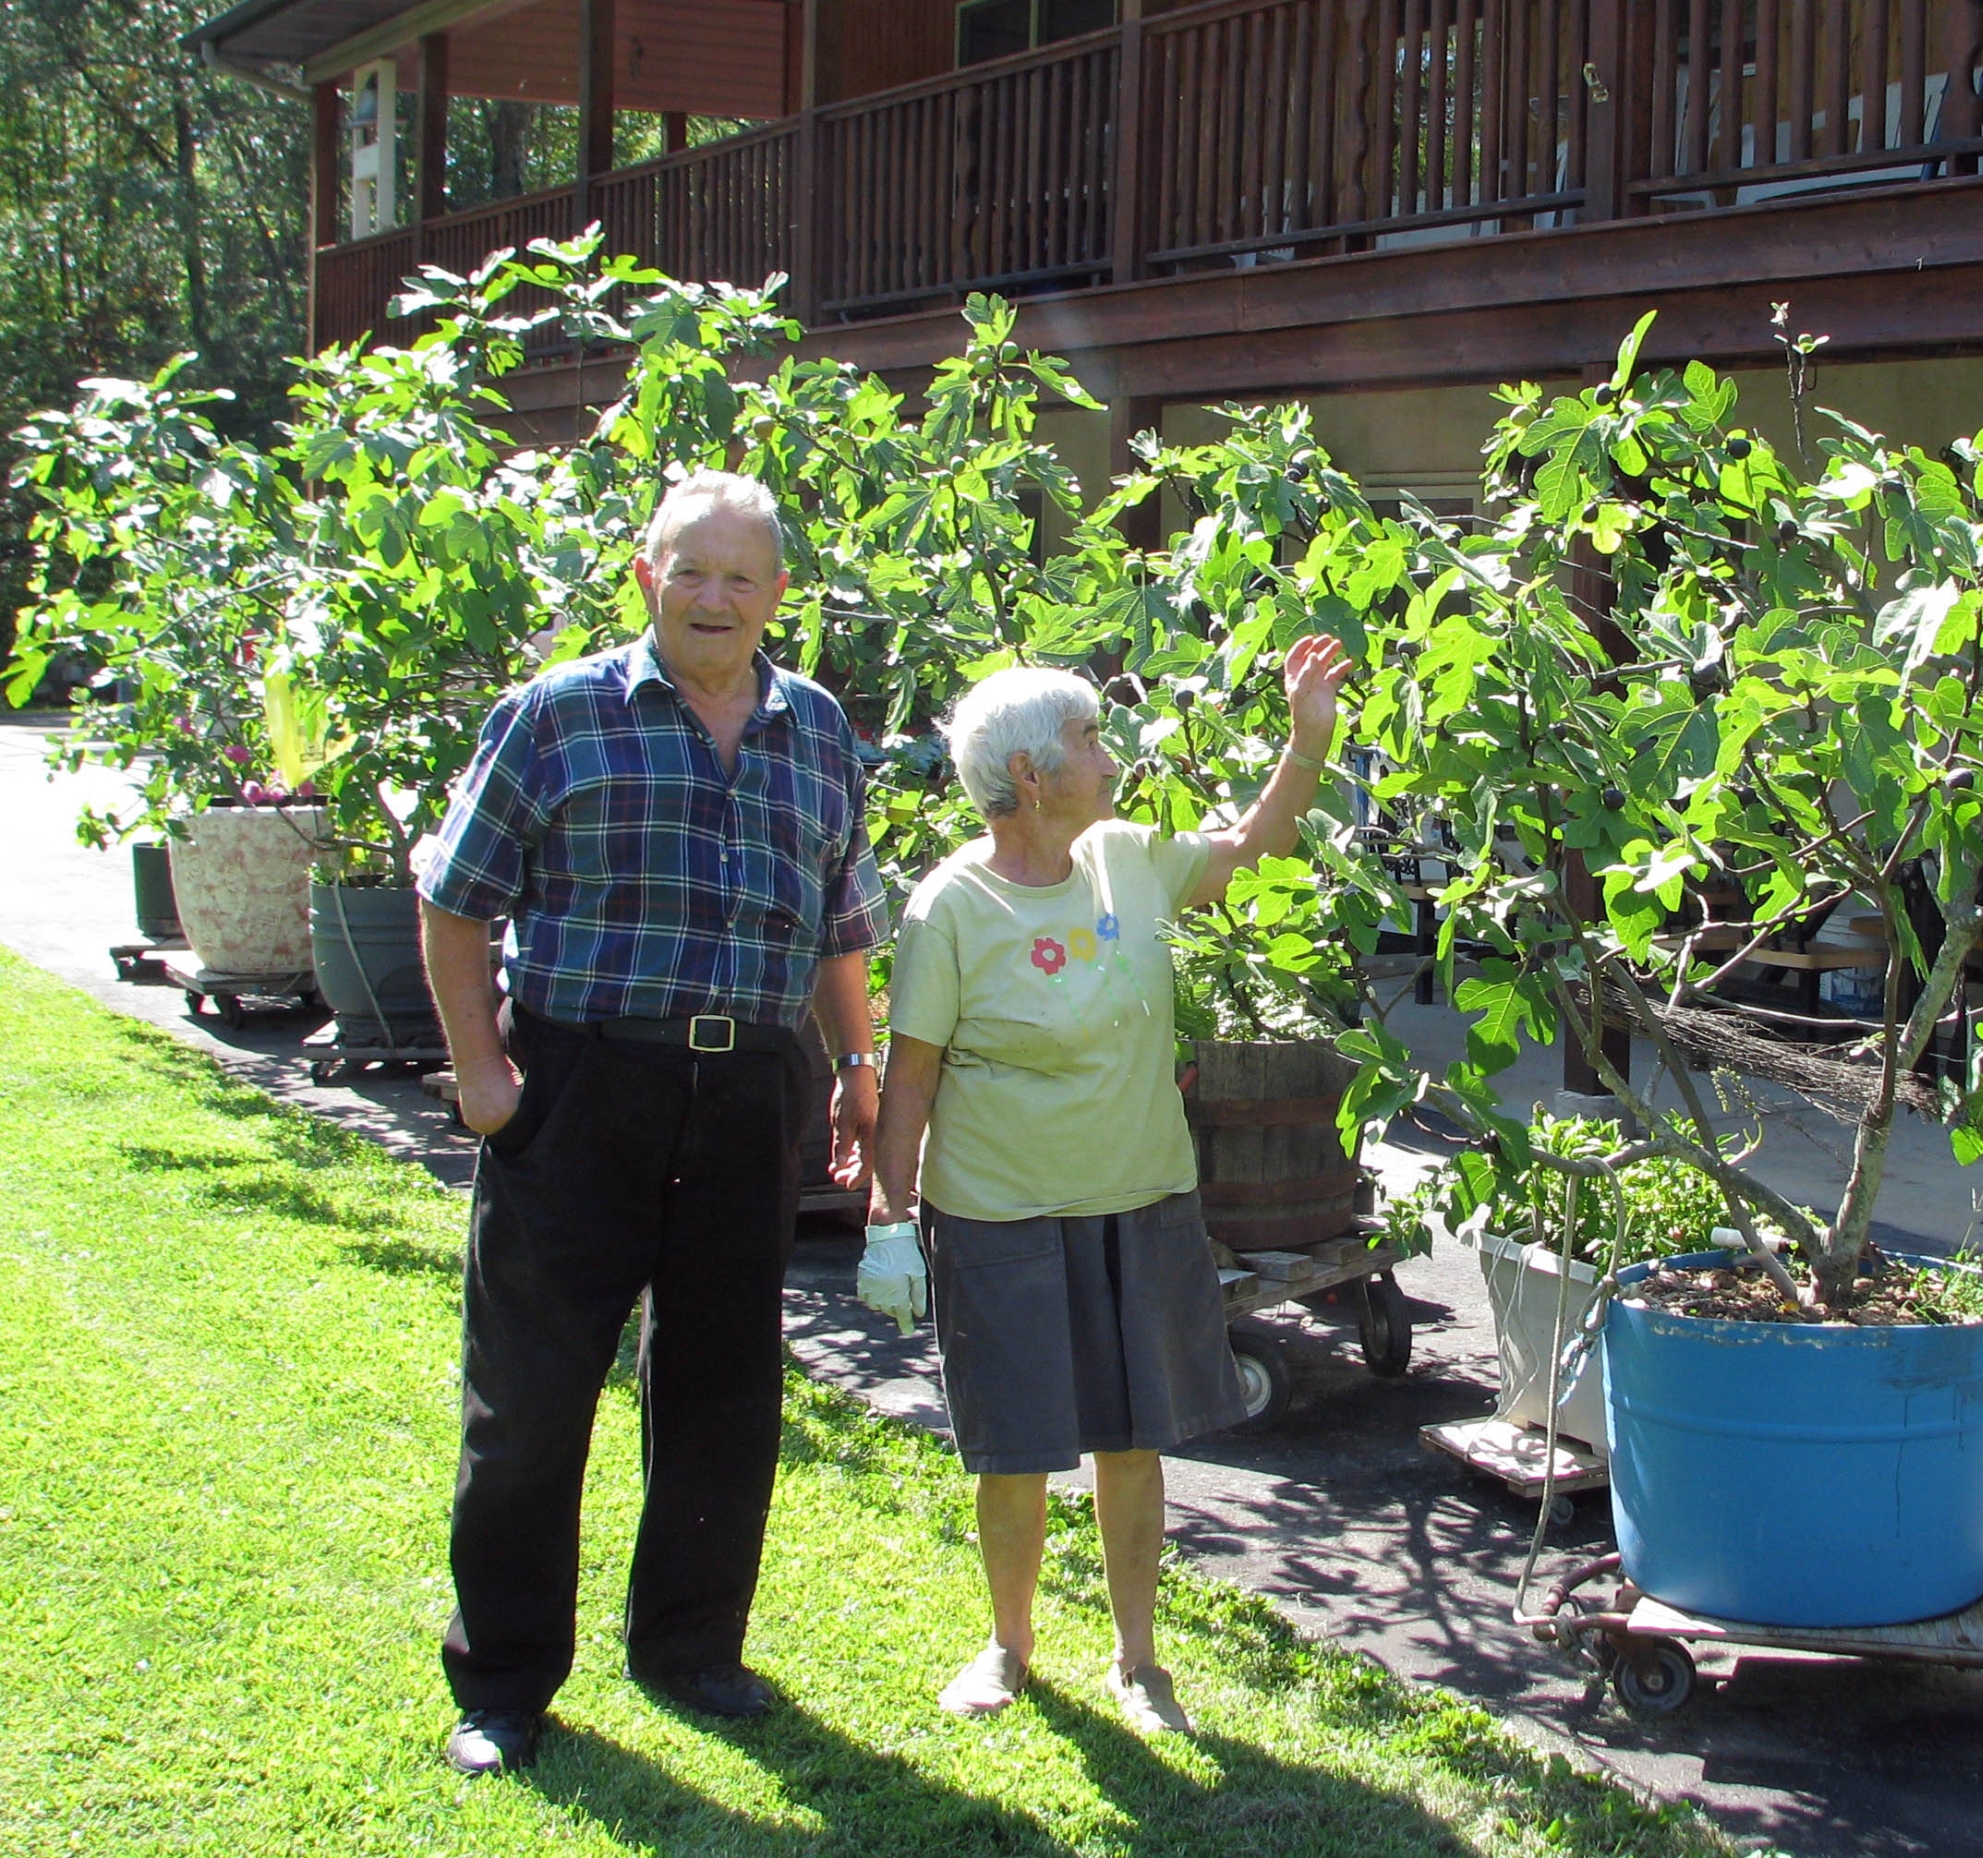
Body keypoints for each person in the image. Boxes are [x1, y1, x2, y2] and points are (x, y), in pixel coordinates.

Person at [416, 471, 887, 1777]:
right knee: (533, 1390)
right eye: (692, 571)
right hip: (581, 1090)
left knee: (725, 1387)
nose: (716, 598)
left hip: (750, 1097)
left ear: (781, 594)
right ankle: (504, 1683)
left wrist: (856, 1072)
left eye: (743, 576)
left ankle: (691, 1649)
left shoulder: (819, 732)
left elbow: (841, 925)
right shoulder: (559, 717)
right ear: (647, 578)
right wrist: (481, 1076)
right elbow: (456, 901)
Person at [853, 636, 1351, 1735]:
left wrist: (1306, 741)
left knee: (1134, 1436)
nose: (1107, 749)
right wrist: (890, 1218)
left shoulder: (1128, 855)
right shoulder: (952, 908)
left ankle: (1139, 1660)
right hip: (999, 1211)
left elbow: (1252, 851)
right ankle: (1008, 1642)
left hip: (1140, 1199)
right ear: (1030, 776)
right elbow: (912, 1076)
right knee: (1017, 1444)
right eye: (1086, 737)